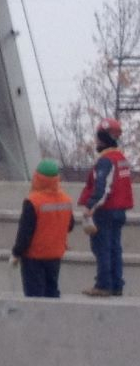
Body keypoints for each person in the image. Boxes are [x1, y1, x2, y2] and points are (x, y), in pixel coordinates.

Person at [79, 117, 132, 297]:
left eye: (98, 137)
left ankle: (103, 285)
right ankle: (116, 284)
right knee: (114, 248)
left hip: (106, 211)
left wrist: (90, 206)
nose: (96, 141)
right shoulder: (121, 158)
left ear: (103, 138)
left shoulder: (106, 161)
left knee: (102, 248)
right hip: (119, 211)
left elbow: (103, 187)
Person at [10, 158, 73, 299]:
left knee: (35, 297)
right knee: (52, 293)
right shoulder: (66, 200)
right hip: (55, 255)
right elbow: (70, 225)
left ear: (37, 178)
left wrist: (16, 253)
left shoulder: (33, 201)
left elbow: (25, 233)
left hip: (34, 257)